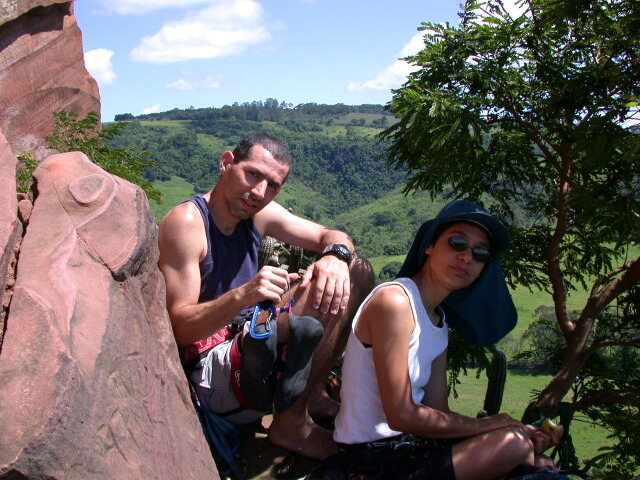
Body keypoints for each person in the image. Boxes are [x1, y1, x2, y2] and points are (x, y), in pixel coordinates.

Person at [157, 132, 374, 461]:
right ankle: (289, 423)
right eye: (252, 174)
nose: (259, 192)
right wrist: (243, 295)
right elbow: (180, 330)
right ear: (227, 162)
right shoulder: (188, 223)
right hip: (211, 368)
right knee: (319, 287)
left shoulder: (256, 214)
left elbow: (330, 235)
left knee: (357, 271)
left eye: (272, 185)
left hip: (250, 339)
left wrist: (336, 257)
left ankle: (312, 394)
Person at [331, 200, 562, 480]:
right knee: (515, 446)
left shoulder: (438, 321)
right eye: (457, 243)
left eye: (481, 254)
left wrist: (504, 428)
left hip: (412, 449)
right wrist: (492, 425)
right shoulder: (394, 301)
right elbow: (401, 415)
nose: (467, 257)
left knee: (528, 451)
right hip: (374, 461)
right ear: (429, 245)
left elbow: (437, 410)